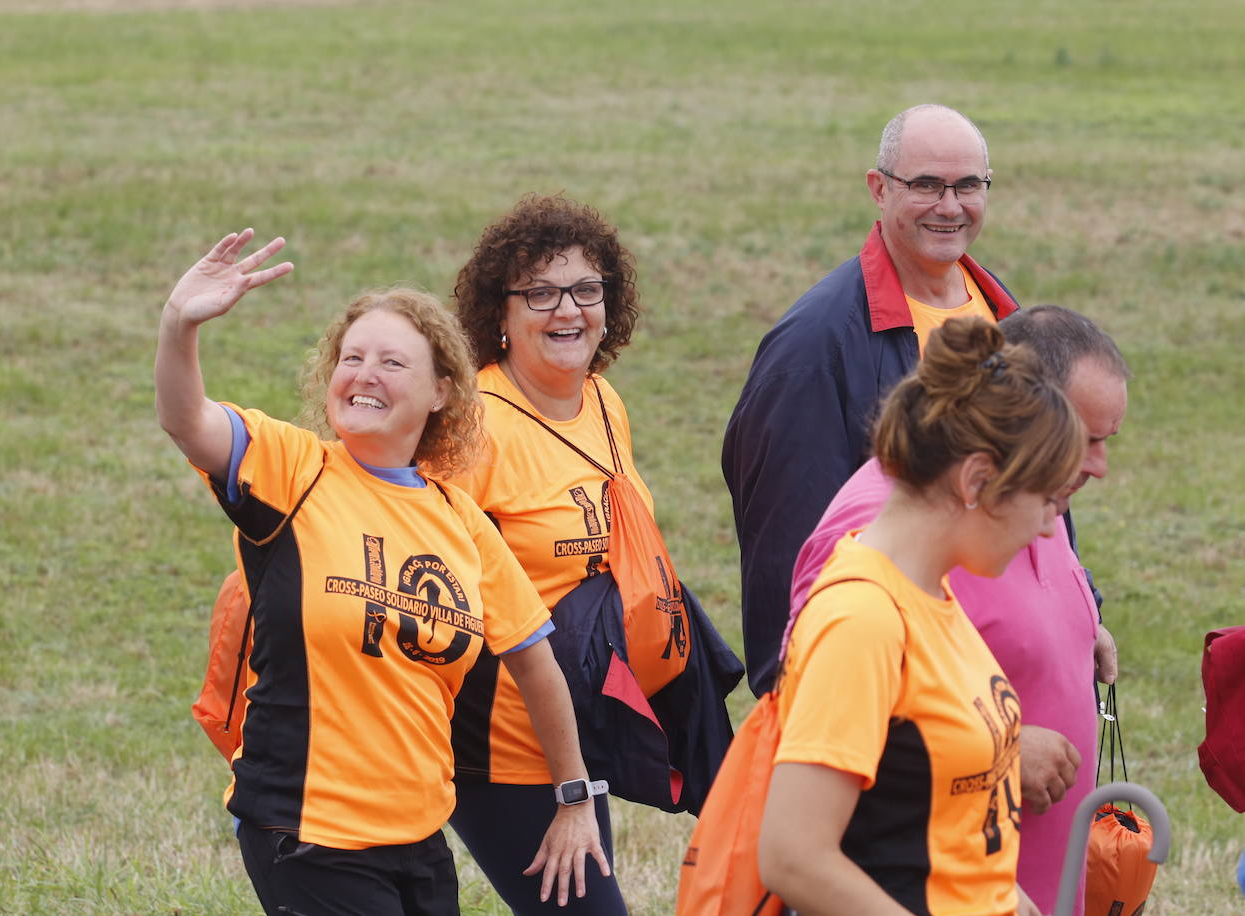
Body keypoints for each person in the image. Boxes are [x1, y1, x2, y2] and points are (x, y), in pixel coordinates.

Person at [154, 229, 608, 915]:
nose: (364, 374)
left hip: (419, 836)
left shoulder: (460, 520)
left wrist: (573, 796)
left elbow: (533, 658)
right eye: (351, 357)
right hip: (306, 833)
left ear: (439, 392)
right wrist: (179, 325)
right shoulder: (293, 470)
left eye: (392, 362)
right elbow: (187, 420)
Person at [447, 194, 741, 914]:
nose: (567, 311)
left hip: (584, 730)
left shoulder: (604, 402)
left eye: (585, 290)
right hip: (507, 748)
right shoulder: (473, 427)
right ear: (501, 316)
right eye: (540, 294)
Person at [787, 306, 1130, 915]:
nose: (1054, 526)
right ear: (977, 481)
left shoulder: (934, 595)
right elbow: (795, 854)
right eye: (1045, 500)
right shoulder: (864, 611)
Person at [723, 104, 1020, 696]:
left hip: (997, 659)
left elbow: (1039, 481)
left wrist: (1078, 603)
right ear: (878, 189)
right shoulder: (815, 346)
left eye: (967, 185)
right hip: (896, 676)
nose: (949, 205)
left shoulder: (1001, 312)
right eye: (926, 185)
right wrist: (804, 686)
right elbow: (791, 542)